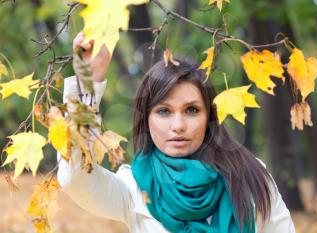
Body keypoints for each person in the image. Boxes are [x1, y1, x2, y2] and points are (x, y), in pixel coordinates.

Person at [57, 32, 296, 233]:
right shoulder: (135, 186)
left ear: (209, 116)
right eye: (164, 111)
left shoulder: (250, 176)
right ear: (146, 119)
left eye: (192, 110)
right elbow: (76, 178)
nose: (178, 125)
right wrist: (87, 81)